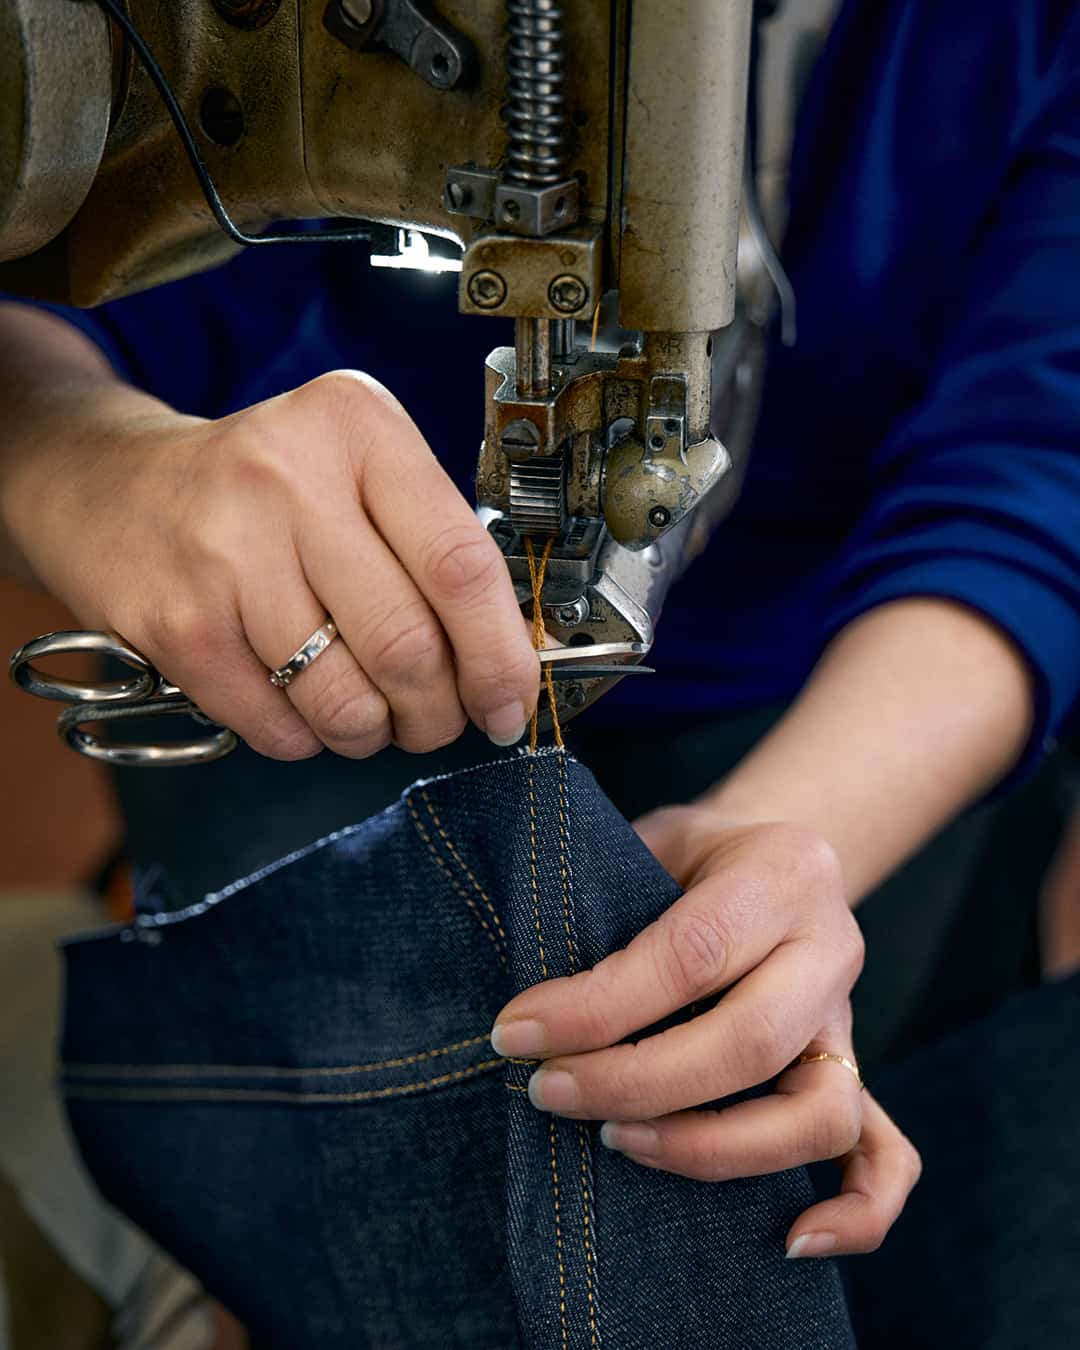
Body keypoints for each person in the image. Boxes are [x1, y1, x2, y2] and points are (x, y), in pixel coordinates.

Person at [1, 0, 1078, 1281]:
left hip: (852, 667)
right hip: (323, 624)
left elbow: (1033, 465)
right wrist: (74, 453)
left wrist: (802, 840)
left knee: (797, 1169)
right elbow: (83, 254)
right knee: (341, 1188)